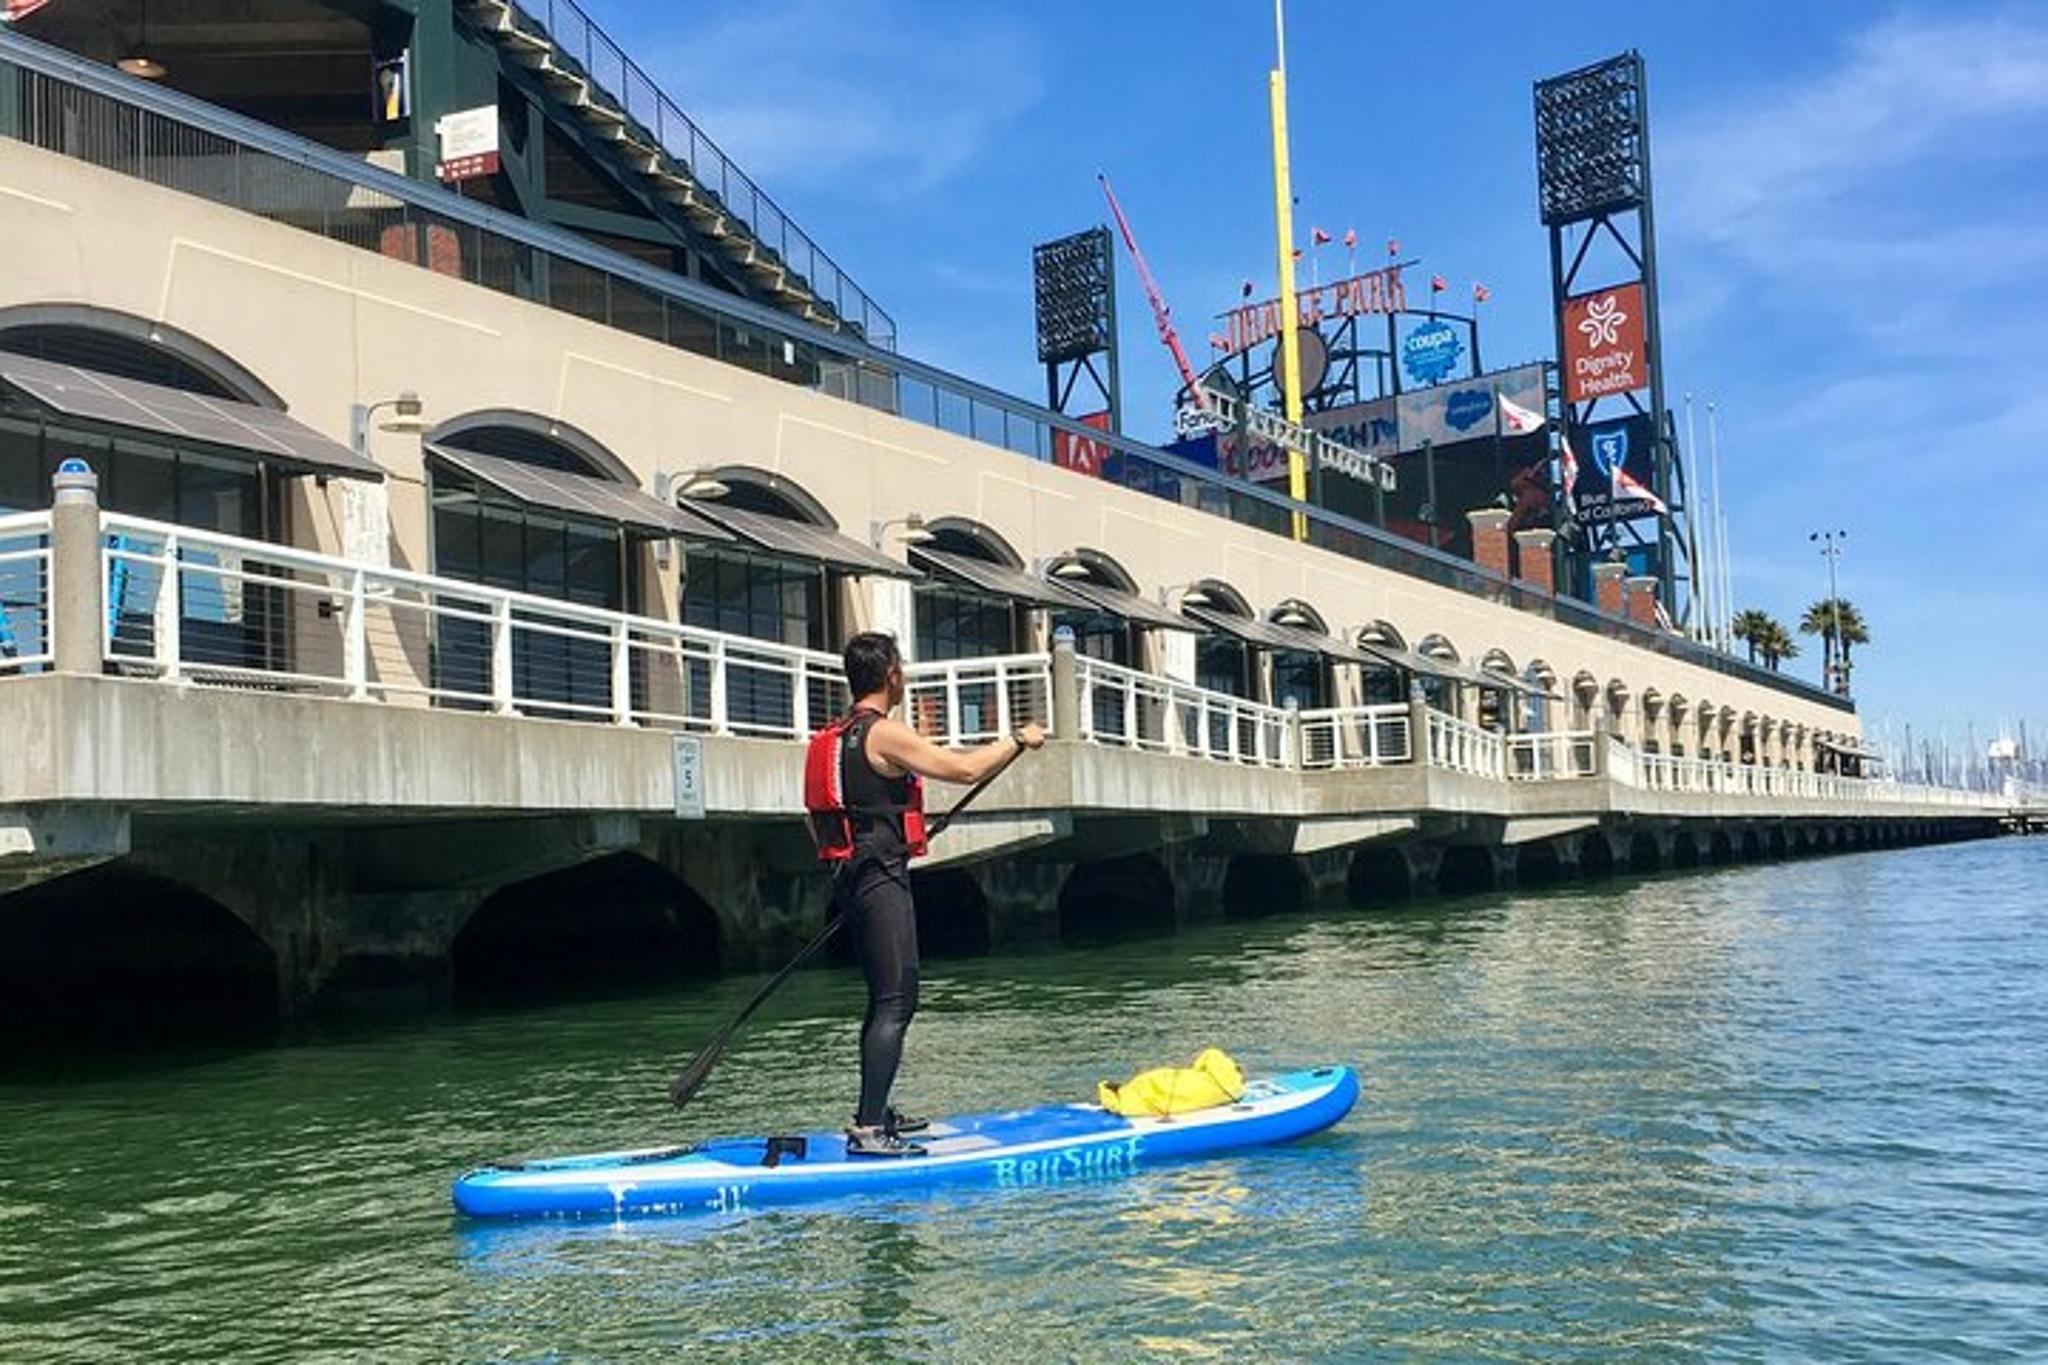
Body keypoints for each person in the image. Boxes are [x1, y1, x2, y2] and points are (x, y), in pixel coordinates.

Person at [832, 631, 1044, 1157]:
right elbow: (964, 769)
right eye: (900, 668)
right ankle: (868, 1129)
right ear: (891, 676)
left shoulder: (840, 734)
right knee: (897, 998)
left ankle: (875, 1112)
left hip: (857, 875)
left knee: (884, 996)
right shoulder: (883, 733)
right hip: (879, 877)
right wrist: (1019, 740)